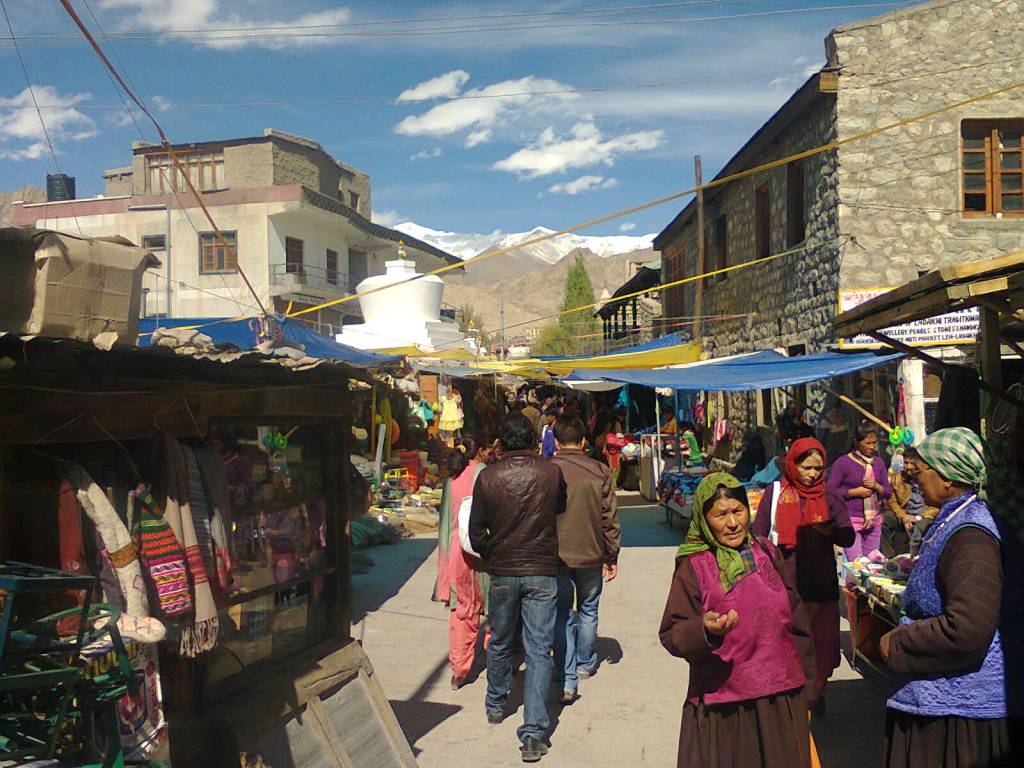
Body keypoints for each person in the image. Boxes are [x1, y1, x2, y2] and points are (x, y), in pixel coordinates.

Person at [879, 428, 1020, 768]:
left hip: (958, 714)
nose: (913, 478)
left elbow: (967, 629)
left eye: (921, 470)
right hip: (941, 705)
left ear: (947, 478)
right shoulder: (954, 520)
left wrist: (897, 643)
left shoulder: (972, 537)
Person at [659, 473, 817, 768]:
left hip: (781, 695)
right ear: (704, 519)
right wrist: (705, 630)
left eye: (738, 511)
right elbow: (672, 632)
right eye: (720, 515)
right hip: (725, 704)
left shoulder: (766, 551)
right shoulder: (694, 566)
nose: (732, 523)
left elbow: (796, 618)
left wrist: (808, 685)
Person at [469, 412, 567, 763]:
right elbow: (560, 506)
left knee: (500, 639)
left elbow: (475, 532)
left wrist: (494, 552)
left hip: (504, 570)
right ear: (532, 441)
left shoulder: (488, 477)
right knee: (539, 650)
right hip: (541, 568)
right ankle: (534, 733)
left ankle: (496, 703)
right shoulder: (551, 472)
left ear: (501, 443)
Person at [753, 437, 854, 707]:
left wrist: (828, 530)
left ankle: (814, 694)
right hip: (784, 585)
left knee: (820, 643)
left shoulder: (830, 496)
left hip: (821, 586)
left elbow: (848, 537)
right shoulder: (775, 494)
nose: (812, 474)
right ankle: (793, 695)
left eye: (817, 469)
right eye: (806, 467)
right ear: (792, 464)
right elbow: (758, 535)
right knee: (788, 642)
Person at [550, 416, 620, 702]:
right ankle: (584, 664)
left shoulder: (548, 470)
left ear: (556, 442)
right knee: (588, 610)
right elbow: (609, 518)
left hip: (556, 556)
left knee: (563, 614)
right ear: (582, 441)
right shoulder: (600, 471)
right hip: (592, 554)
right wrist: (612, 555)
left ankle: (566, 674)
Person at [434, 435, 491, 689]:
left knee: (462, 610)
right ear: (480, 450)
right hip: (481, 550)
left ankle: (459, 669)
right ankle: (496, 660)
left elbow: (446, 524)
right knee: (492, 606)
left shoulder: (451, 478)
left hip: (457, 552)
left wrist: (445, 563)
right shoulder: (483, 473)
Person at [827, 420, 892, 560]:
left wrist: (876, 486)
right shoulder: (843, 463)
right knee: (856, 564)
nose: (872, 447)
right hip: (851, 522)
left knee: (872, 563)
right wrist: (854, 492)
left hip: (873, 522)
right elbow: (830, 492)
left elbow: (888, 491)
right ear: (857, 442)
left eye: (874, 443)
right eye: (868, 443)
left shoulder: (878, 463)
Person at [883, 447, 937, 557]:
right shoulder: (897, 477)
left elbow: (936, 507)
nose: (908, 466)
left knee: (920, 527)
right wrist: (903, 516)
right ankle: (889, 558)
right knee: (883, 520)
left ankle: (915, 558)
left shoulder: (930, 477)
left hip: (924, 515)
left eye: (912, 463)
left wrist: (918, 517)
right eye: (906, 463)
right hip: (905, 513)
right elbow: (892, 501)